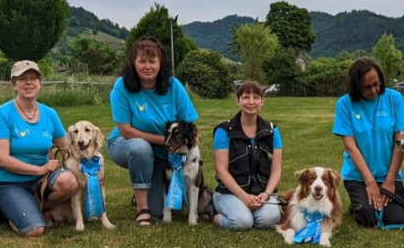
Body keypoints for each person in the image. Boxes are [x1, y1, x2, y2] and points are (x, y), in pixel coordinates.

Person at [107, 37, 199, 227]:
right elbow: (126, 131)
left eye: (152, 61)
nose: (147, 66)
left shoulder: (174, 86)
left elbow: (190, 127)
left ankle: (145, 191)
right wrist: (166, 141)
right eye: (142, 61)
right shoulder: (121, 86)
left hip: (165, 152)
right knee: (140, 148)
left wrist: (192, 156)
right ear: (133, 63)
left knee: (162, 209)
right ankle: (142, 209)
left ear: (161, 63)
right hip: (127, 144)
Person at [0, 60, 79, 237]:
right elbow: (1, 159)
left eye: (33, 78)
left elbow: (67, 148)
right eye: (22, 79)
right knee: (34, 230)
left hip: (41, 182)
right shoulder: (2, 113)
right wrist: (39, 169)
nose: (28, 83)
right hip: (9, 181)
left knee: (69, 181)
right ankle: (13, 211)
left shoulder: (49, 113)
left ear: (40, 84)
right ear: (14, 84)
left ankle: (35, 207)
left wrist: (91, 165)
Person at [334, 58, 404, 227]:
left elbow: (401, 142)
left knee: (399, 219)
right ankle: (359, 204)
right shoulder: (344, 104)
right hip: (358, 177)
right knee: (369, 217)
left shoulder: (394, 99)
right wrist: (370, 183)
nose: (374, 90)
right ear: (356, 86)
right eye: (367, 87)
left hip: (388, 175)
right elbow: (350, 146)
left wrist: (390, 181)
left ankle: (369, 200)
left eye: (376, 84)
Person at [211, 80, 284, 230]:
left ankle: (251, 212)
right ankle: (214, 216)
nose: (251, 102)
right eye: (245, 97)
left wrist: (267, 193)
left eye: (256, 97)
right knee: (242, 222)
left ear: (262, 101)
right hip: (231, 193)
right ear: (237, 101)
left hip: (262, 192)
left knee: (269, 220)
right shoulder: (223, 131)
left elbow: (276, 169)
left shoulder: (272, 131)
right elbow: (221, 170)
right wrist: (244, 197)